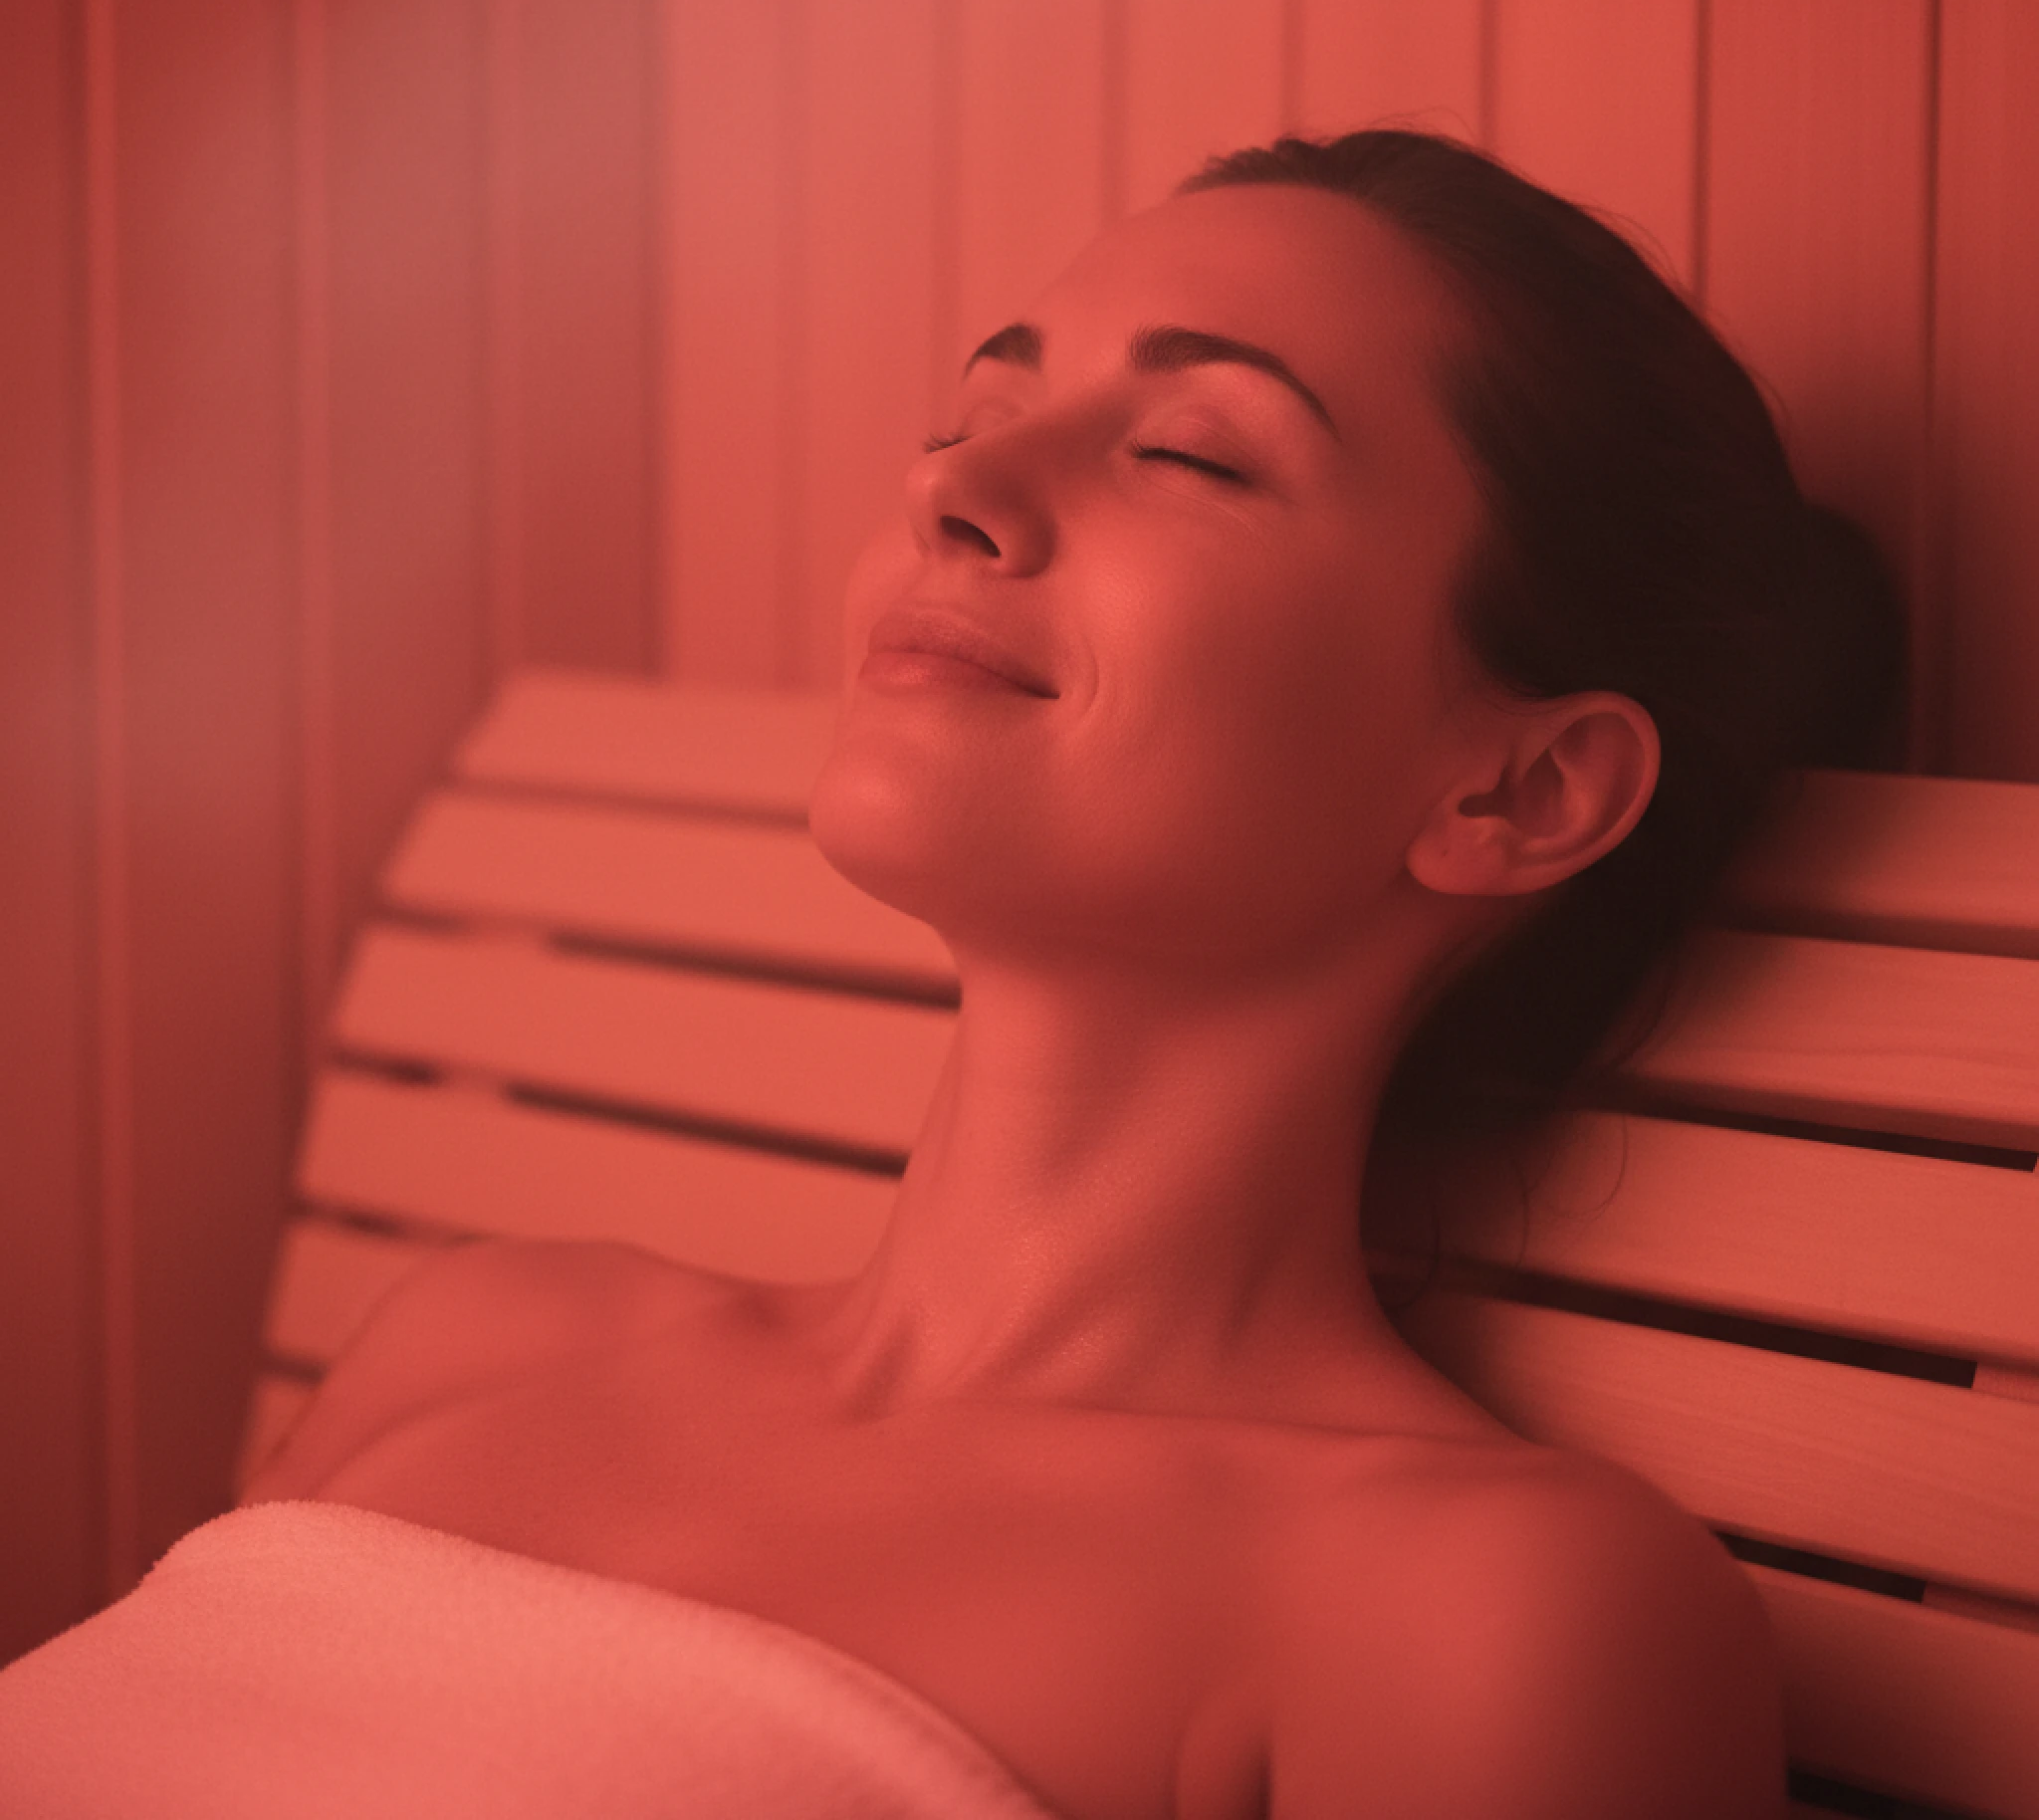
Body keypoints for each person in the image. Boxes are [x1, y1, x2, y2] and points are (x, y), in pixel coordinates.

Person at [37, 130, 1900, 1818]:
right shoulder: (478, 1337)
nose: (959, 486)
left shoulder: (1469, 1611)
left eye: (1188, 451)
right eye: (968, 413)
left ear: (1518, 785)